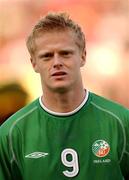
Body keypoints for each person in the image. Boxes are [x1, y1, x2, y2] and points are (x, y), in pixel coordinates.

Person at [0, 12, 129, 180]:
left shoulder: (121, 122)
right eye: (47, 56)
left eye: (65, 53)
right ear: (33, 63)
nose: (56, 62)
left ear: (83, 56)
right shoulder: (11, 134)